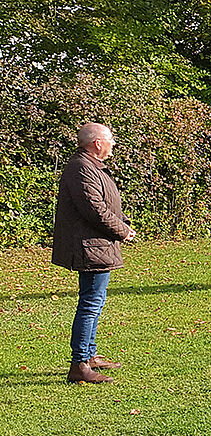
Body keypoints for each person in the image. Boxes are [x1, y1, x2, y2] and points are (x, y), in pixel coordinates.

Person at [52, 122, 136, 384]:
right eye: (110, 139)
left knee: (94, 301)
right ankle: (79, 365)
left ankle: (89, 355)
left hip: (98, 244)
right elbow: (95, 209)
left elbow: (106, 203)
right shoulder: (82, 169)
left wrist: (123, 223)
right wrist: (122, 231)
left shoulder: (90, 166)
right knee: (90, 303)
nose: (113, 144)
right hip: (91, 246)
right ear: (96, 143)